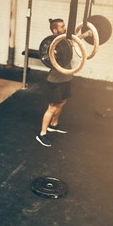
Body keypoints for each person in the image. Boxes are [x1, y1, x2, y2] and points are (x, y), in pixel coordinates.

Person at [36, 18, 72, 147]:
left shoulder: (65, 41)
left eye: (64, 26)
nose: (65, 28)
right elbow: (51, 60)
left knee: (62, 102)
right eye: (62, 27)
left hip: (66, 78)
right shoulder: (52, 45)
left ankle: (54, 124)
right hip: (55, 81)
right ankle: (42, 134)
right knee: (52, 107)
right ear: (55, 30)